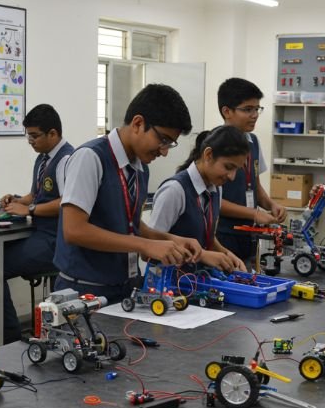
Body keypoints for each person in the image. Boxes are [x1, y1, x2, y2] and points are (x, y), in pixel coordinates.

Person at [54, 84, 202, 303]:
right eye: (162, 140)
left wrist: (171, 239)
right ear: (138, 123)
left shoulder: (140, 167)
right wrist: (145, 245)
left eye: (170, 144)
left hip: (125, 287)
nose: (163, 151)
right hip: (85, 290)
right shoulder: (90, 157)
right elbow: (74, 230)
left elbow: (129, 224)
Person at [0, 104, 74, 344]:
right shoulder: (43, 159)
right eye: (28, 135)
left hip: (55, 241)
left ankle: (8, 336)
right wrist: (18, 200)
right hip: (39, 234)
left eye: (34, 135)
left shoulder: (67, 160)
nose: (30, 141)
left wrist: (29, 209)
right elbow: (38, 194)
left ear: (53, 134)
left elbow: (66, 202)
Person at [150, 125, 248, 273]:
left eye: (236, 170)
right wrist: (202, 256)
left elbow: (206, 235)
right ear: (208, 155)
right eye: (228, 167)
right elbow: (150, 248)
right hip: (168, 284)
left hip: (197, 282)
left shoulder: (216, 189)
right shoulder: (175, 190)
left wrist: (226, 254)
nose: (232, 177)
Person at [215, 78, 287, 261]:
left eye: (257, 109)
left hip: (249, 233)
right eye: (247, 109)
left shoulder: (253, 141)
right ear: (227, 111)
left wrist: (271, 205)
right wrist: (254, 213)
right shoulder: (215, 144)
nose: (254, 115)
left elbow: (254, 186)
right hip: (222, 235)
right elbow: (214, 200)